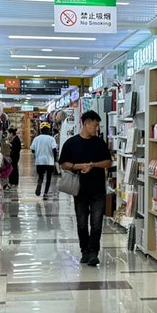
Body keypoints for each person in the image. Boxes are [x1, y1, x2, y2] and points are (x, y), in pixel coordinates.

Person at [58, 110, 114, 265]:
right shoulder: (71, 143)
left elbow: (108, 162)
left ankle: (94, 252)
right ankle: (84, 251)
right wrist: (78, 166)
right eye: (95, 125)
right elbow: (63, 164)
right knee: (82, 223)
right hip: (79, 191)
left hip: (98, 190)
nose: (96, 128)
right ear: (87, 123)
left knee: (96, 223)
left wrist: (93, 165)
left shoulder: (99, 143)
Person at [31, 125, 58, 198]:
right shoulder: (52, 139)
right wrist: (55, 160)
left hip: (39, 161)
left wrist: (37, 153)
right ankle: (45, 194)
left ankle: (39, 183)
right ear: (49, 130)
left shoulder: (36, 138)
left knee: (41, 176)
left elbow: (33, 150)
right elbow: (54, 150)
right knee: (49, 178)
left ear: (41, 130)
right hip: (49, 161)